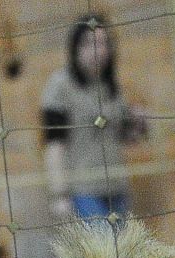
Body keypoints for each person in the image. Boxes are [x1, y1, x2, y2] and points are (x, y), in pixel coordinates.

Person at [40, 15, 147, 226]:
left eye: (103, 43)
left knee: (123, 252)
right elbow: (54, 144)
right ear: (75, 48)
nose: (98, 51)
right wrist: (59, 194)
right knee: (103, 252)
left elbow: (127, 138)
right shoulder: (60, 85)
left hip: (116, 186)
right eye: (89, 44)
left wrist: (139, 123)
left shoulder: (111, 86)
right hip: (83, 190)